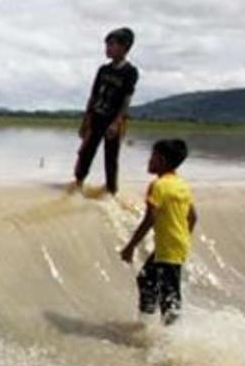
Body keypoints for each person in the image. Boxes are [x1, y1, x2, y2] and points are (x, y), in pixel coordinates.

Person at [120, 139, 196, 324]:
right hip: (176, 245)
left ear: (161, 160)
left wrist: (130, 246)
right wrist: (181, 238)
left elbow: (150, 219)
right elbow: (193, 217)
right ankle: (146, 325)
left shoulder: (158, 186)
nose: (149, 160)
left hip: (169, 248)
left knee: (169, 295)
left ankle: (171, 333)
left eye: (152, 156)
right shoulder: (181, 184)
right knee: (146, 279)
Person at [73, 27, 139, 196]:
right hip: (96, 117)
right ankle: (77, 186)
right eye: (107, 45)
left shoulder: (130, 72)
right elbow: (93, 96)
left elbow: (126, 100)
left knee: (111, 158)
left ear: (124, 47)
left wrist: (116, 123)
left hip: (114, 120)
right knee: (85, 153)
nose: (107, 48)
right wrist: (85, 121)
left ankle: (111, 193)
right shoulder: (103, 70)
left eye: (111, 45)